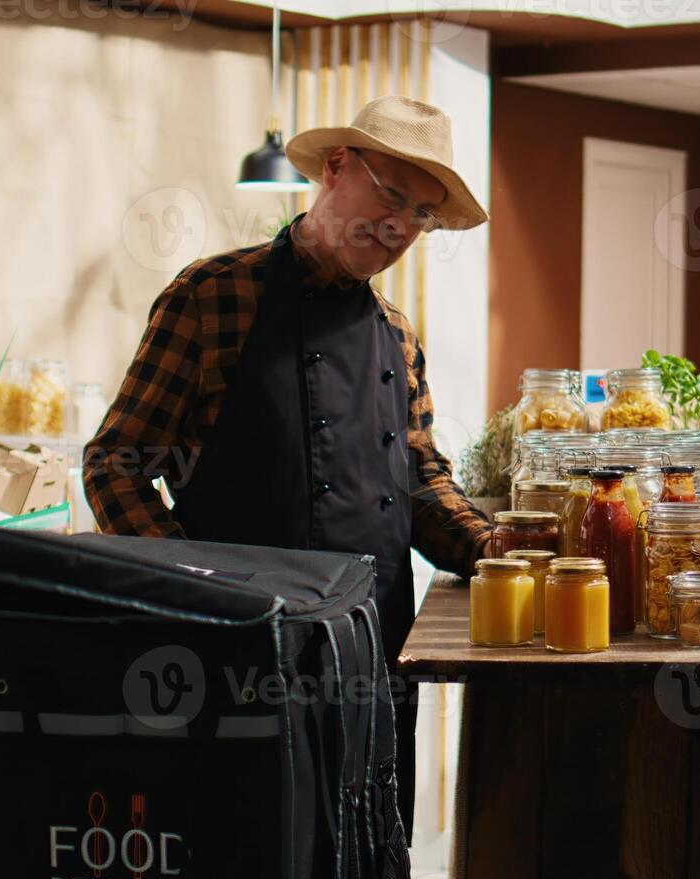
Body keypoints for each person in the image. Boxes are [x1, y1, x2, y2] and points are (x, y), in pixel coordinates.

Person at [84, 96, 494, 833]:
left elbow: (420, 483)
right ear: (336, 167)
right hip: (240, 655)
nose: (401, 226)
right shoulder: (211, 297)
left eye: (423, 214)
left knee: (363, 862)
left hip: (370, 649)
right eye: (391, 195)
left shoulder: (395, 336)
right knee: (247, 864)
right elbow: (114, 465)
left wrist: (494, 547)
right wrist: (192, 589)